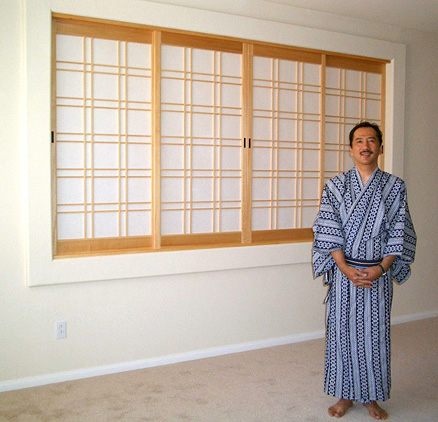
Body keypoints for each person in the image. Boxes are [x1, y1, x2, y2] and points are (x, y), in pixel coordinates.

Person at [312, 121, 416, 420]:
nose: (365, 146)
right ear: (351, 149)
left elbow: (399, 229)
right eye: (359, 141)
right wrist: (343, 266)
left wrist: (382, 268)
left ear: (380, 147)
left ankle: (371, 396)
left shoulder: (395, 186)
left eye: (372, 140)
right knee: (342, 333)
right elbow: (328, 227)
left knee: (374, 334)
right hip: (345, 271)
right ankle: (344, 394)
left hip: (377, 272)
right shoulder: (335, 185)